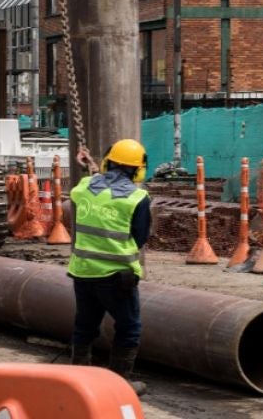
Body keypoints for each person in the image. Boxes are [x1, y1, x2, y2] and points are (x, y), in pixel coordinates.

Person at [67, 138, 152, 396]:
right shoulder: (137, 198)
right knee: (129, 328)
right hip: (117, 277)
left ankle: (77, 381)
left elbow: (94, 184)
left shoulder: (84, 187)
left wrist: (88, 167)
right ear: (138, 169)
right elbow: (140, 238)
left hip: (83, 272)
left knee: (85, 326)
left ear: (108, 162)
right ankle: (118, 386)